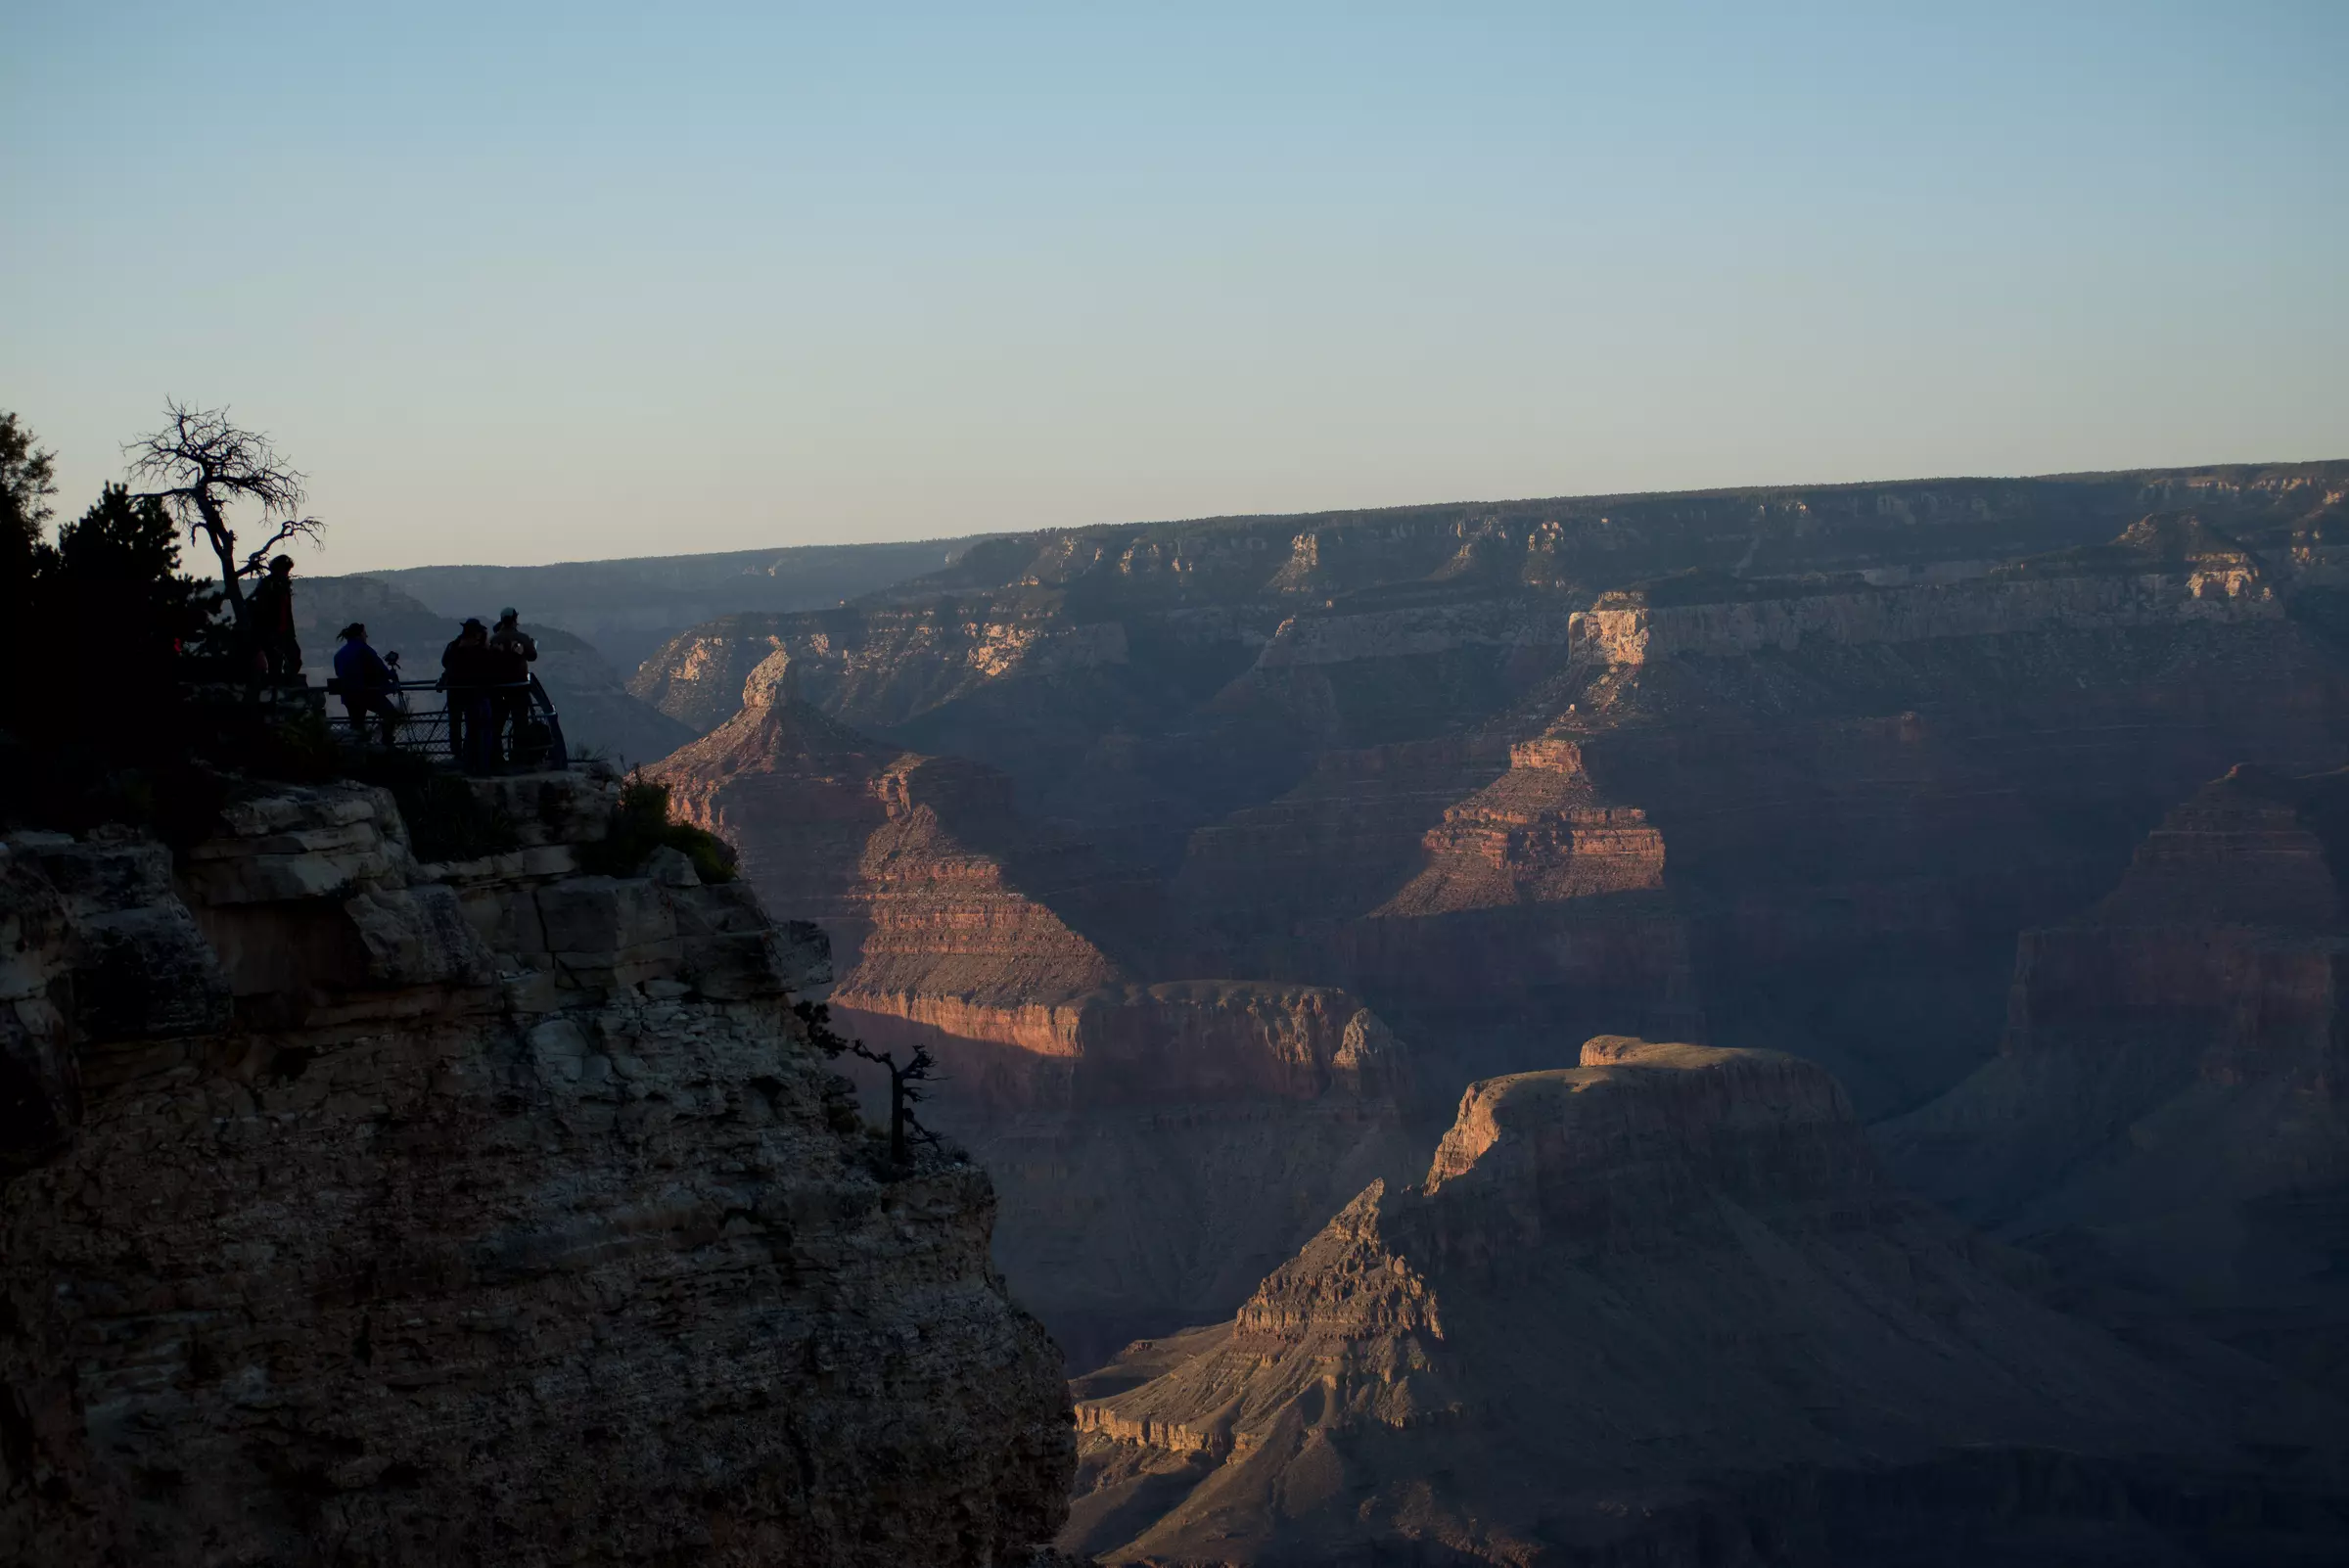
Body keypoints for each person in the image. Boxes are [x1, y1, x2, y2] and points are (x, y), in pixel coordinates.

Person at [438, 618, 495, 772]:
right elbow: (490, 664)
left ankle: (459, 755)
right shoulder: (479, 650)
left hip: (455, 691)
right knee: (475, 727)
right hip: (473, 694)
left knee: (455, 724)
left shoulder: (453, 647)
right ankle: (476, 760)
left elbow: (445, 663)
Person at [332, 623, 402, 748]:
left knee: (356, 725)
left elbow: (339, 673)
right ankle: (386, 743)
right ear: (359, 635)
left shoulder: (339, 654)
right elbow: (380, 669)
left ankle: (356, 749)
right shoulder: (364, 650)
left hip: (349, 695)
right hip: (366, 693)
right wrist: (391, 677)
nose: (367, 636)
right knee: (390, 714)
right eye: (365, 633)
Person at [487, 607, 538, 764]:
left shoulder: (494, 639)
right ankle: (520, 757)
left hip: (499, 688)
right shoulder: (522, 637)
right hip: (519, 688)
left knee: (496, 724)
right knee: (520, 724)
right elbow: (532, 656)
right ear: (515, 619)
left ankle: (496, 757)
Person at [245, 555, 300, 683]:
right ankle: (274, 688)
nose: (287, 574)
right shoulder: (268, 585)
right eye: (285, 570)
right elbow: (262, 610)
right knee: (275, 661)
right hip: (271, 632)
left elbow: (286, 612)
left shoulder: (283, 586)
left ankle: (286, 681)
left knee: (294, 657)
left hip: (284, 632)